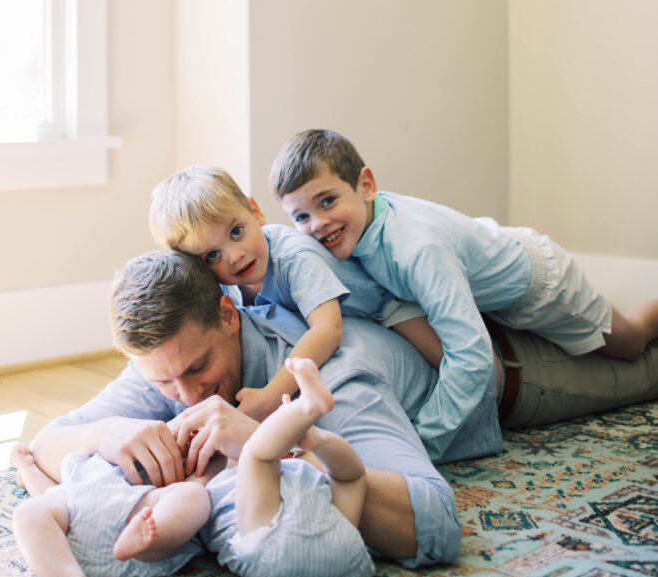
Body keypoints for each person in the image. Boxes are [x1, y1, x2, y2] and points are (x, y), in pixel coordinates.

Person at [29, 250, 462, 568]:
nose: (185, 395)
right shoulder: (170, 364)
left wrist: (269, 449)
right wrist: (104, 434)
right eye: (163, 382)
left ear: (228, 315)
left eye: (199, 367)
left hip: (517, 382)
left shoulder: (330, 375)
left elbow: (436, 523)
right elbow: (46, 442)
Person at [269, 128, 658, 461]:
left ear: (366, 185)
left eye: (327, 201)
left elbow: (473, 358)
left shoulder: (416, 248)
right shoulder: (363, 232)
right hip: (496, 290)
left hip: (543, 287)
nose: (318, 223)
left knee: (629, 341)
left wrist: (423, 442)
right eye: (301, 216)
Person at [11, 357, 375, 577]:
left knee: (209, 490)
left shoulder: (199, 488)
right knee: (31, 512)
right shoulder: (86, 475)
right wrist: (28, 468)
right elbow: (50, 497)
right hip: (346, 552)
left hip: (174, 527)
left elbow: (255, 457)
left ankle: (149, 544)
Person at [148, 165, 443, 422]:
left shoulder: (293, 257)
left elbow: (328, 330)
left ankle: (489, 401)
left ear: (256, 212)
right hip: (358, 323)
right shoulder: (223, 282)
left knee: (449, 361)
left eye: (236, 232)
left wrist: (270, 396)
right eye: (212, 255)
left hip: (387, 304)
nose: (234, 256)